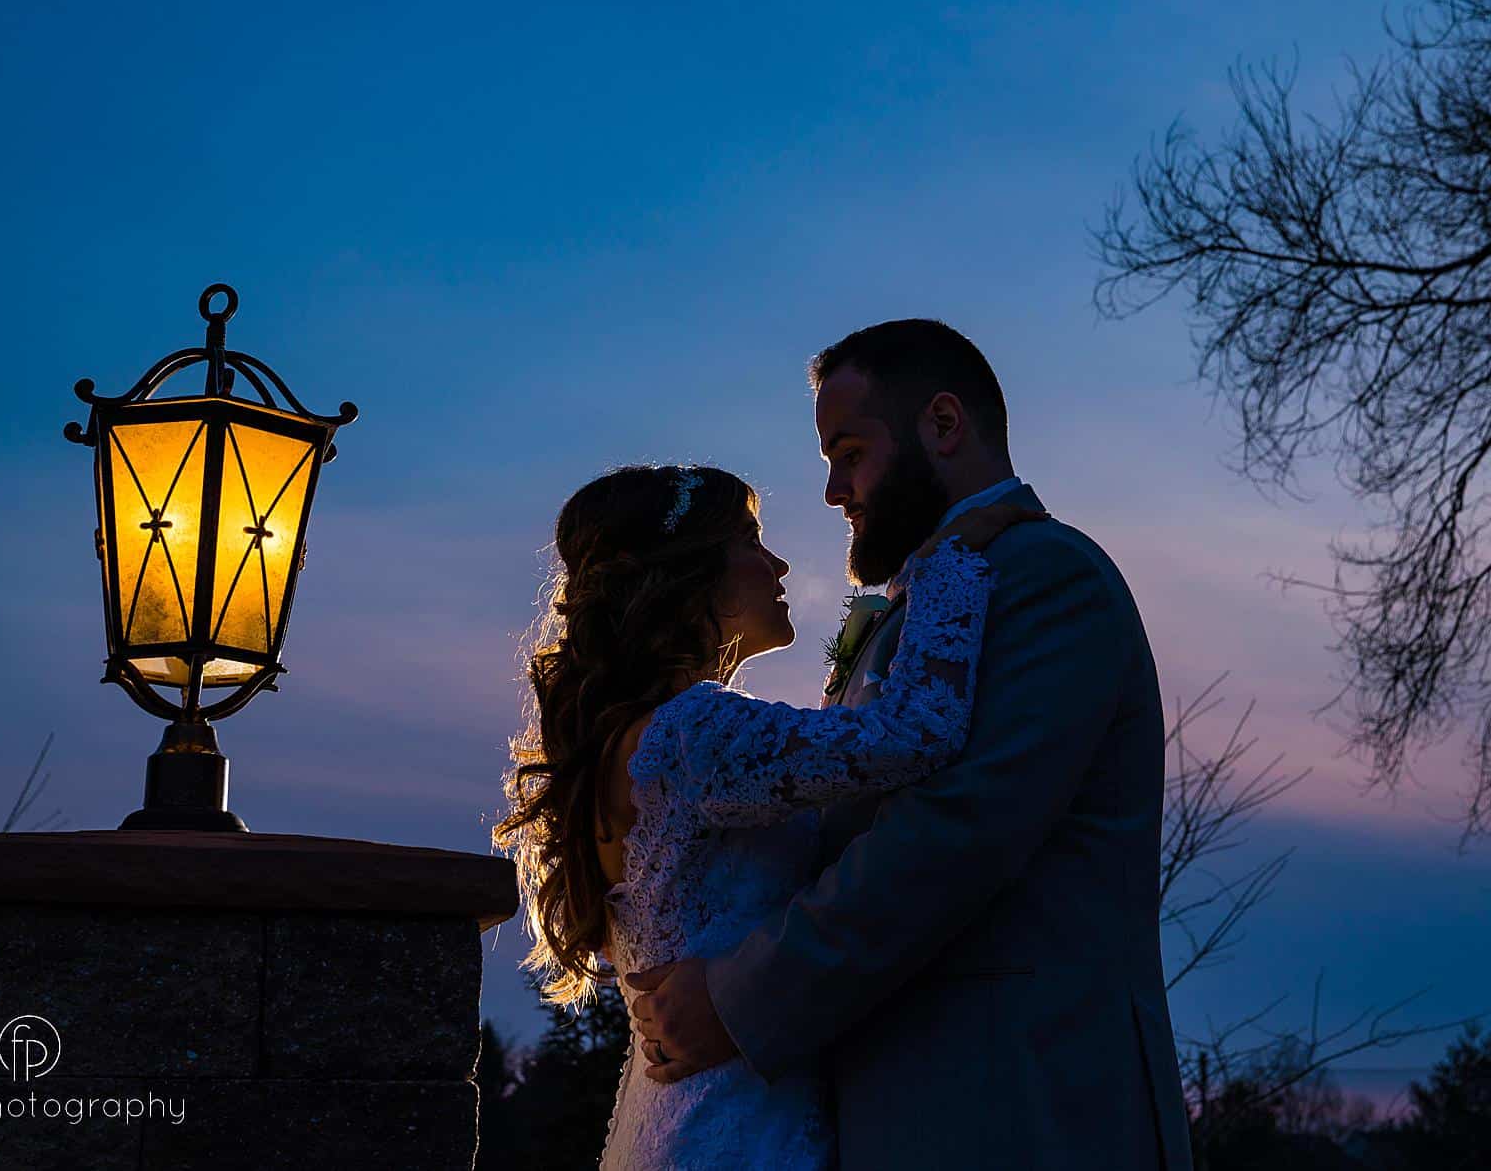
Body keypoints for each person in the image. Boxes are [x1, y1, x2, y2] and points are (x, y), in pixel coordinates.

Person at [626, 319, 1194, 1169]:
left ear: (942, 424)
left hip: (1018, 1112)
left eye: (849, 451)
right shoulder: (931, 601)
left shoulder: (1046, 576)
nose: (832, 490)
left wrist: (735, 999)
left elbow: (952, 837)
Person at [496, 459, 1040, 1168]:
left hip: (676, 1122)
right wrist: (944, 563)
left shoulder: (633, 743)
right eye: (752, 540)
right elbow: (917, 732)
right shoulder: (694, 734)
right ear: (691, 572)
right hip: (739, 1132)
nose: (778, 563)